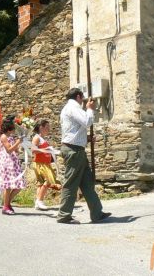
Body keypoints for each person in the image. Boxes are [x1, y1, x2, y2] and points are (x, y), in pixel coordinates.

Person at [56, 87, 111, 224]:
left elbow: (73, 131)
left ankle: (97, 212)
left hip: (76, 149)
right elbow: (87, 122)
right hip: (74, 151)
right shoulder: (73, 108)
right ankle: (64, 215)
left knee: (87, 182)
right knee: (71, 183)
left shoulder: (67, 108)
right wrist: (90, 108)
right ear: (79, 97)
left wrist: (86, 138)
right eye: (82, 98)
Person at [0, 115, 26, 215]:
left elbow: (14, 150)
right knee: (8, 185)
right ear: (9, 128)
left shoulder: (11, 137)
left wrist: (19, 145)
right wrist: (18, 142)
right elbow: (8, 150)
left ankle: (7, 203)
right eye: (13, 127)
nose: (15, 129)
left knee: (18, 184)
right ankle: (5, 206)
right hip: (7, 163)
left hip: (13, 162)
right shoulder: (4, 136)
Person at [31, 119, 60, 211]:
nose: (49, 129)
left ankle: (38, 202)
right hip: (40, 163)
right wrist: (47, 149)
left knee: (41, 184)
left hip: (45, 163)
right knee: (49, 180)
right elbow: (33, 150)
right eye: (47, 127)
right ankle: (40, 201)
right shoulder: (36, 138)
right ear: (41, 127)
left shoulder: (42, 139)